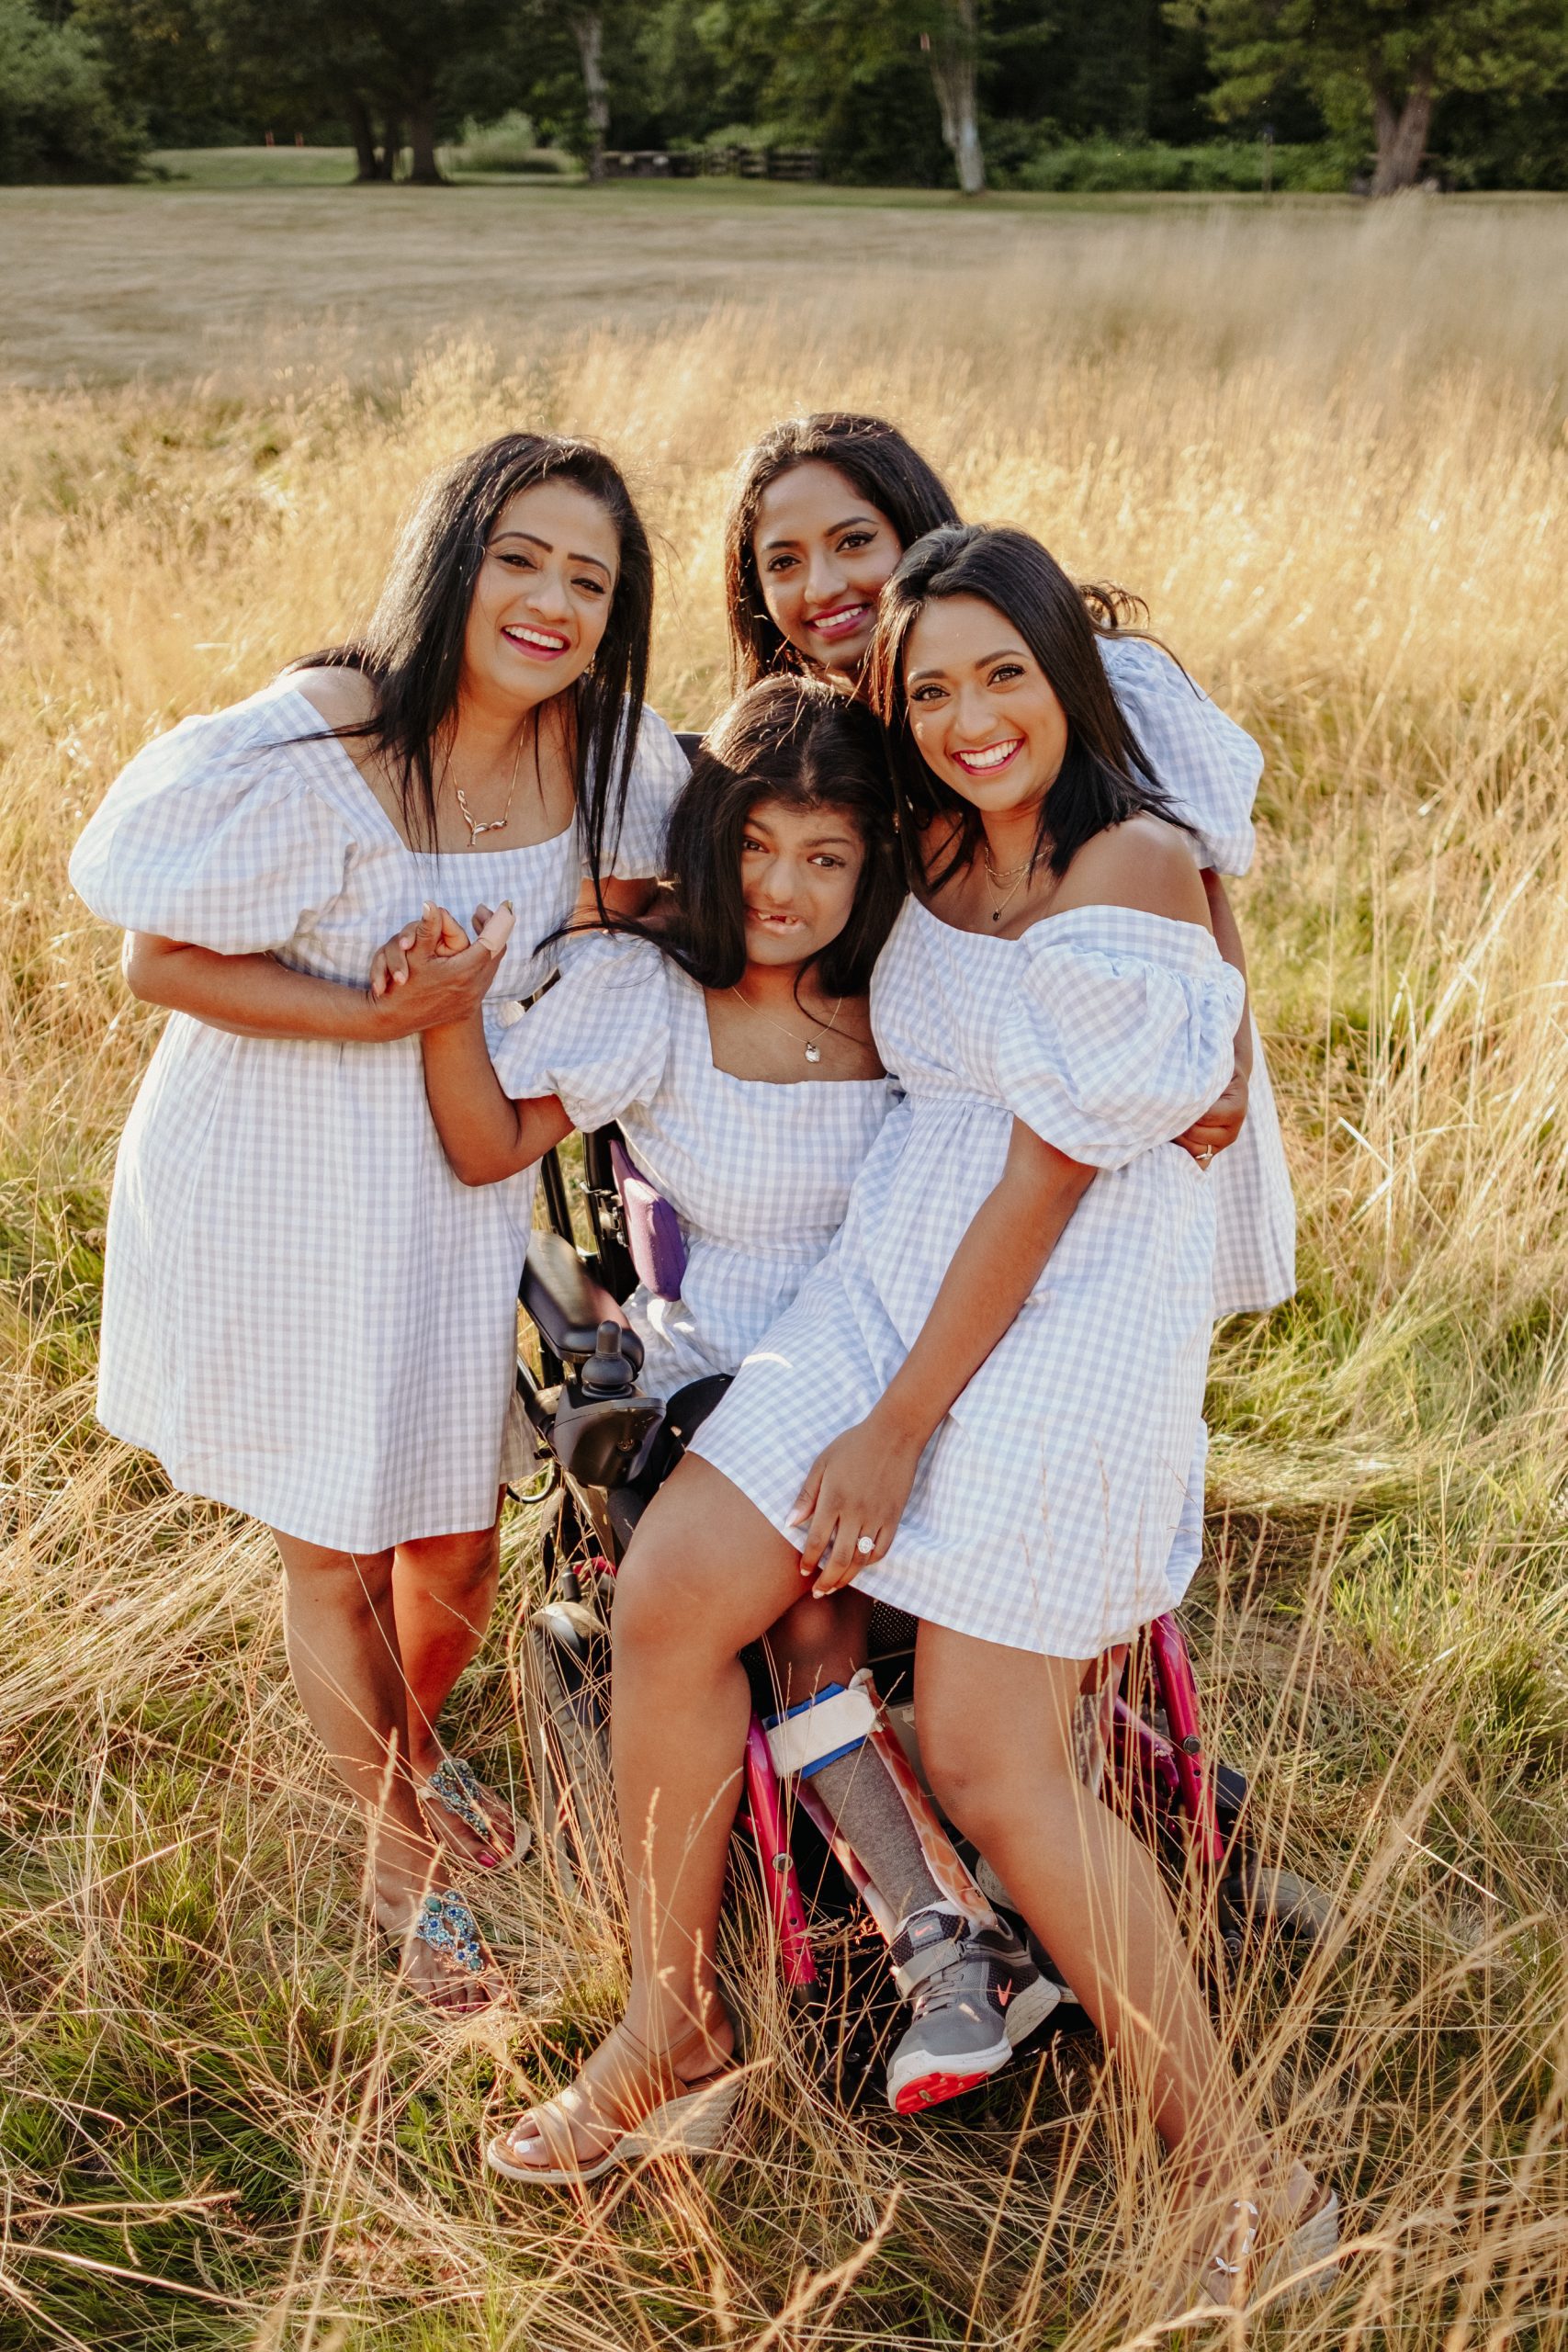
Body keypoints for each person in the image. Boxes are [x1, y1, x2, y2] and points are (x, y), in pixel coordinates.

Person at [483, 526, 1338, 2314]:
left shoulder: (1131, 857)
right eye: (928, 686)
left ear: (1062, 674)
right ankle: (678, 2018)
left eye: (999, 674)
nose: (964, 716)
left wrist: (892, 1428)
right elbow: (737, 819)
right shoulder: (930, 836)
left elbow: (1041, 1174)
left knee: (984, 1753)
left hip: (1057, 1314)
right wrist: (644, 910)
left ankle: (1242, 2163)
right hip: (882, 1276)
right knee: (666, 1591)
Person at [68, 433, 688, 2011]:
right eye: (519, 559)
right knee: (337, 1544)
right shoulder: (334, 736)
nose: (549, 600)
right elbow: (152, 952)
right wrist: (387, 1013)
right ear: (453, 562)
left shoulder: (607, 757)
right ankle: (394, 1854)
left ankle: (405, 1751)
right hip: (273, 1171)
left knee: (459, 1545)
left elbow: (713, 865)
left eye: (588, 579)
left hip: (445, 1184)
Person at [388, 673, 1062, 2117]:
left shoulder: (907, 1001)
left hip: (918, 1353)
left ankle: (1026, 1878)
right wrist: (451, 1009)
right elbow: (487, 1139)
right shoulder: (655, 1000)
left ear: (874, 864)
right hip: (730, 1369)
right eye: (755, 846)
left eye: (825, 858)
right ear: (713, 842)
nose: (784, 887)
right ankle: (935, 1940)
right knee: (804, 1603)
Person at [723, 410, 1294, 1322]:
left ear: (917, 532)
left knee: (1110, 1320)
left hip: (1124, 1071)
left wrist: (1230, 1056)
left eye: (854, 541)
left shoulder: (1080, 680)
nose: (822, 584)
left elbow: (1194, 872)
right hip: (968, 1128)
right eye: (783, 561)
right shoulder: (822, 743)